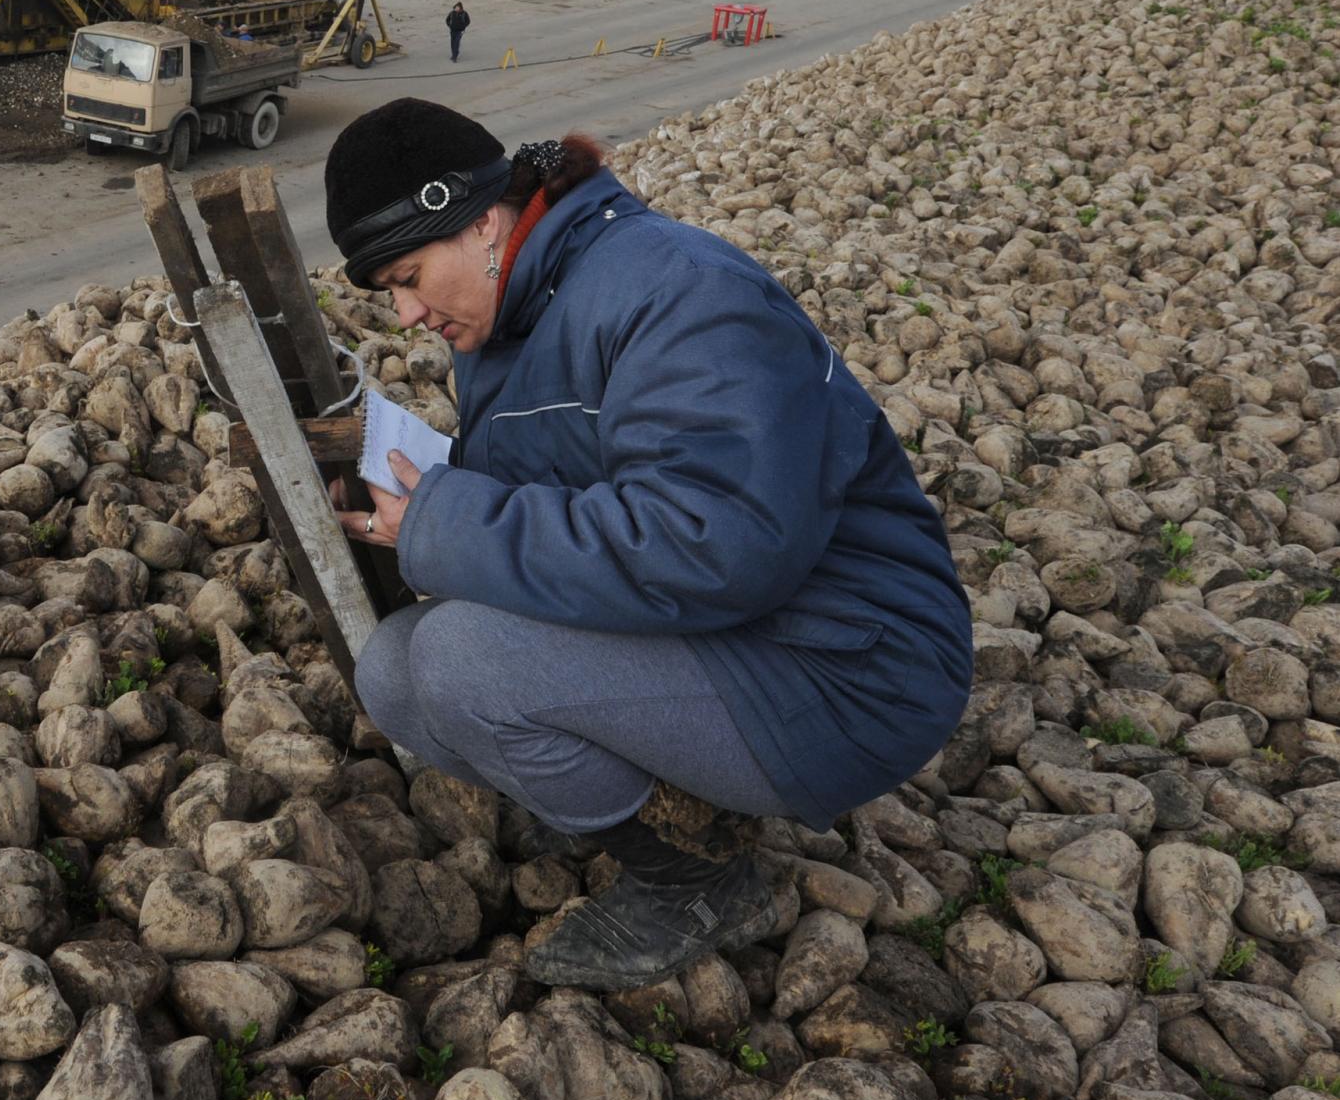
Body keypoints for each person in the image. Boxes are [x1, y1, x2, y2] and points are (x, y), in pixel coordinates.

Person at [321, 97, 970, 989]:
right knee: (394, 671)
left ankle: (703, 883)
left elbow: (716, 545)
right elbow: (566, 486)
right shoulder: (513, 307)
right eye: (387, 291)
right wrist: (412, 494)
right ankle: (669, 798)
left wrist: (448, 523)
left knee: (460, 658)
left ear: (480, 223)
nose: (403, 315)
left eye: (407, 276)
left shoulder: (675, 290)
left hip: (848, 667)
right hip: (741, 633)